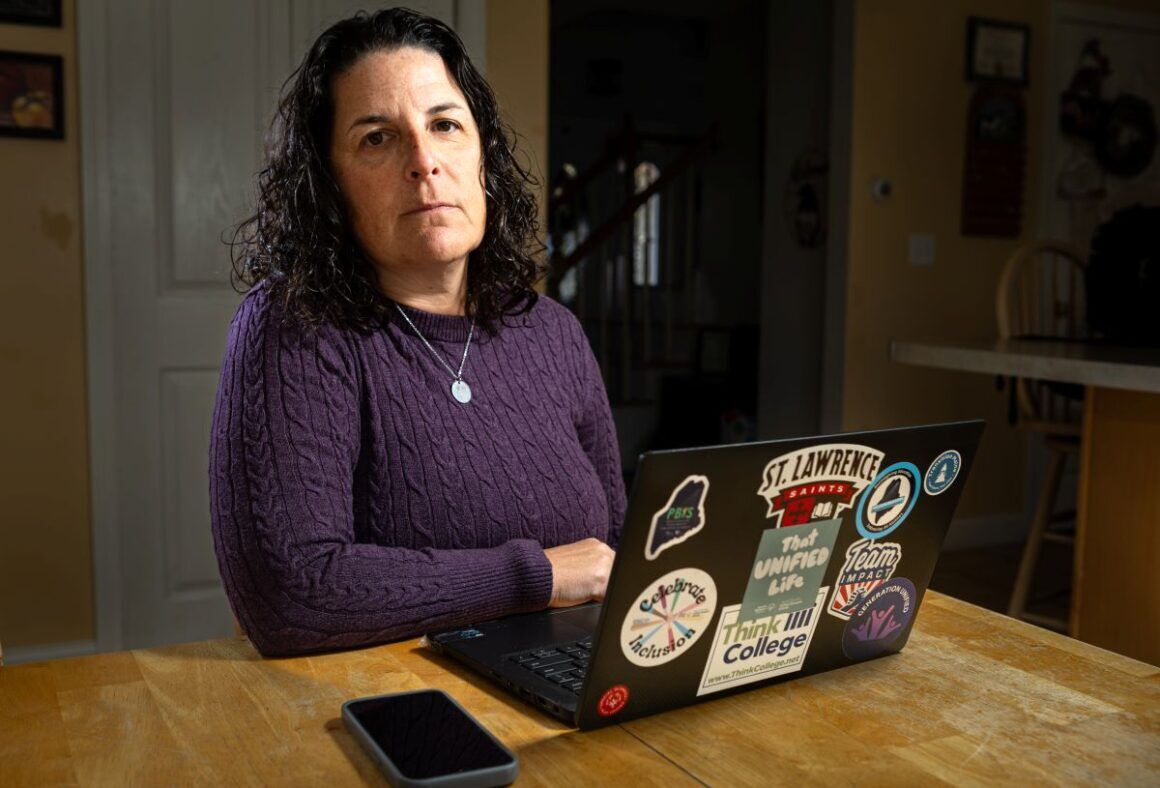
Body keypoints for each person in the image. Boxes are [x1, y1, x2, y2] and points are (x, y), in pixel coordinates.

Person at [210, 8, 625, 657]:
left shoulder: (554, 332)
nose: (424, 161)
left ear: (482, 155)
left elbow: (615, 547)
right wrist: (537, 575)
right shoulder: (294, 326)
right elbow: (292, 594)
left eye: (445, 125)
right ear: (329, 182)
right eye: (377, 138)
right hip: (391, 707)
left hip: (573, 678)